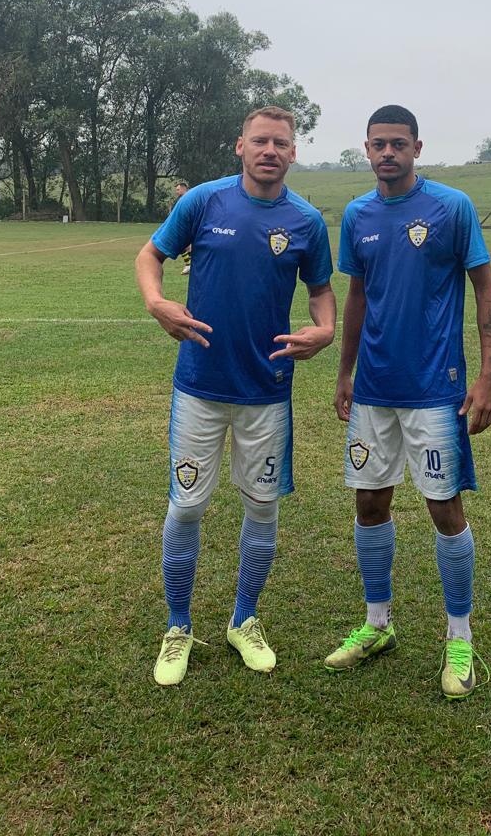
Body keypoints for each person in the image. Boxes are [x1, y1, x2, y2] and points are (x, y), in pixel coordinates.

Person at [135, 106, 336, 685]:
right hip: (200, 387)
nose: (270, 151)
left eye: (281, 143)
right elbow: (151, 256)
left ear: (293, 152)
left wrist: (325, 329)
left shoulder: (305, 221)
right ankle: (178, 626)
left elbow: (320, 291)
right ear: (240, 146)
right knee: (187, 507)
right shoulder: (203, 202)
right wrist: (156, 301)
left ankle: (244, 619)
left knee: (262, 508)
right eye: (260, 141)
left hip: (267, 391)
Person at [325, 104, 491, 699]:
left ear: (417, 148)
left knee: (443, 509)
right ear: (366, 149)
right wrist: (345, 372)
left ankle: (460, 637)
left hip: (434, 389)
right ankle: (378, 625)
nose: (387, 153)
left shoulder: (452, 207)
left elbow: (485, 291)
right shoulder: (358, 215)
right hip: (374, 390)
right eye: (378, 144)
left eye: (398, 143)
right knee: (369, 503)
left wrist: (488, 377)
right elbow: (357, 297)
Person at [172, 182, 192, 274]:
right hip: (184, 225)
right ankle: (190, 265)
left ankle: (188, 265)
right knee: (187, 246)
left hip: (186, 226)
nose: (176, 191)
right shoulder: (181, 199)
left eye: (178, 189)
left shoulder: (188, 198)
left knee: (181, 245)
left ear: (184, 189)